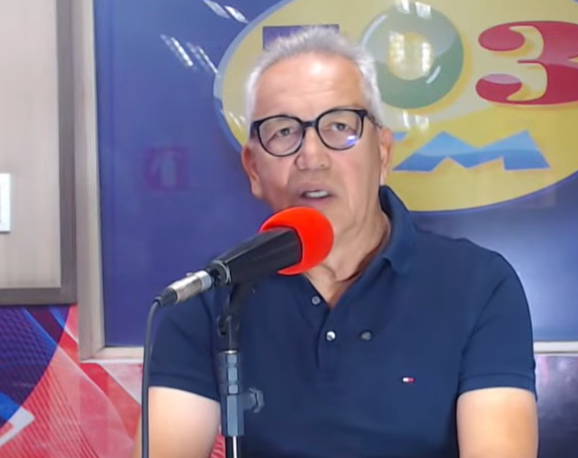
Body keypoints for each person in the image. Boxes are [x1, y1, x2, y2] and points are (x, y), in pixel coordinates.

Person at [132, 26, 538, 458]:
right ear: (253, 168)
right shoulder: (211, 295)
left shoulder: (479, 284)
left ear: (383, 153)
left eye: (340, 126)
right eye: (284, 132)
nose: (312, 157)